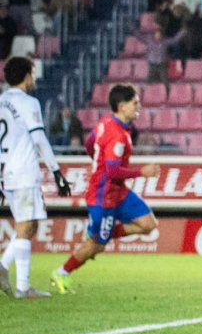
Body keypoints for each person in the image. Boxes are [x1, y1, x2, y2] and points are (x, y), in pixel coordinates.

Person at [51, 84, 161, 294]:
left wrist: (97, 160)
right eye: (134, 103)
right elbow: (111, 172)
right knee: (96, 246)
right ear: (122, 106)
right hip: (104, 196)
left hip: (119, 192)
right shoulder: (118, 135)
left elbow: (89, 142)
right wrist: (141, 172)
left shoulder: (106, 121)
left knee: (148, 224)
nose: (138, 106)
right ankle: (62, 272)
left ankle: (102, 232)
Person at [0, 58, 73, 298]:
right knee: (26, 225)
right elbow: (39, 138)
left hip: (6, 172)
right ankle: (22, 287)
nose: (34, 78)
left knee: (28, 225)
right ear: (26, 76)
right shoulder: (28, 102)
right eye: (32, 73)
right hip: (23, 172)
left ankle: (5, 267)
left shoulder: (1, 101)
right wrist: (56, 171)